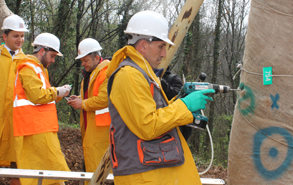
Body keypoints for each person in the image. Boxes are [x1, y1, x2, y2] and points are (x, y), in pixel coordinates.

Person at [106, 10, 215, 185]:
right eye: (161, 46)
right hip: (144, 175)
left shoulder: (142, 73)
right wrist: (184, 106)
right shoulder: (129, 75)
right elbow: (148, 125)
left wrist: (180, 103)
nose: (164, 54)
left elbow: (153, 114)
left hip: (152, 172)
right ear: (143, 46)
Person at [13, 33, 71, 185]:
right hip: (33, 130)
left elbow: (43, 98)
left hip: (40, 129)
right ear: (41, 51)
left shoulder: (38, 69)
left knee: (50, 175)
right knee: (46, 175)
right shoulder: (28, 67)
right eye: (52, 56)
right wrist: (58, 91)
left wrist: (59, 94)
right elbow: (37, 95)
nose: (53, 60)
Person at [67, 38, 110, 173]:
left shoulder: (107, 72)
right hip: (92, 128)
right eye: (82, 61)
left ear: (97, 58)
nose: (83, 64)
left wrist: (83, 103)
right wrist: (79, 99)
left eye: (86, 60)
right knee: (91, 167)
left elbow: (104, 99)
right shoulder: (91, 74)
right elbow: (93, 96)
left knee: (100, 171)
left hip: (103, 131)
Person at [0, 15, 28, 185]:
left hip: (17, 123)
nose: (20, 40)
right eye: (15, 36)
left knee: (17, 166)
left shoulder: (27, 61)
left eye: (22, 36)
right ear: (5, 36)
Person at [155, 66, 193, 141]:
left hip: (170, 125)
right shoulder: (146, 78)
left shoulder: (173, 78)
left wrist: (161, 83)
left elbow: (178, 97)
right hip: (158, 124)